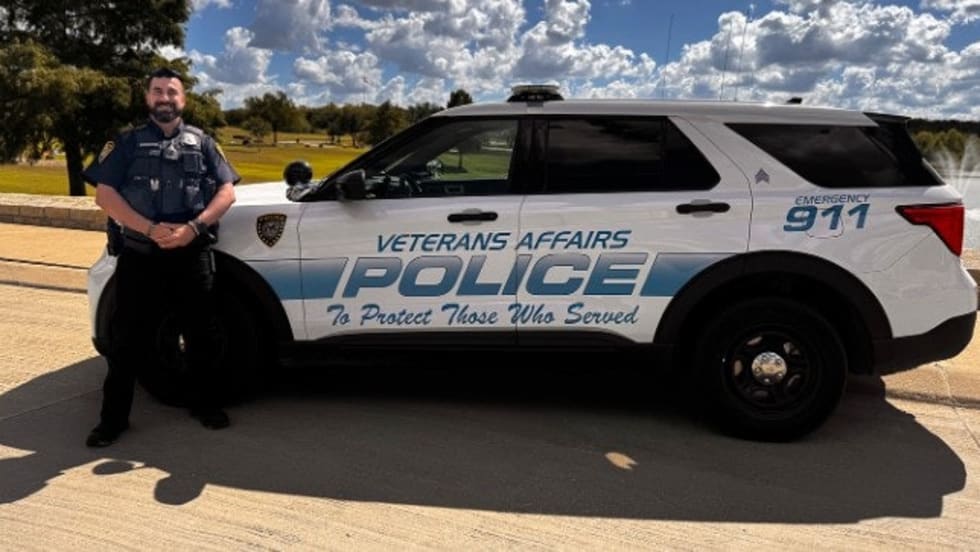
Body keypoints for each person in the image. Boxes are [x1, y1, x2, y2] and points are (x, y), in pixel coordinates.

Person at [82, 68, 240, 447]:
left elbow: (227, 192)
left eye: (172, 91)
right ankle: (112, 420)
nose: (165, 97)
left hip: (191, 254)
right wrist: (150, 228)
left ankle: (205, 405)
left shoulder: (203, 143)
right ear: (148, 98)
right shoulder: (126, 143)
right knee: (126, 342)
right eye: (157, 91)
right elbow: (105, 195)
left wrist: (195, 228)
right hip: (141, 256)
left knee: (201, 335)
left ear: (183, 99)